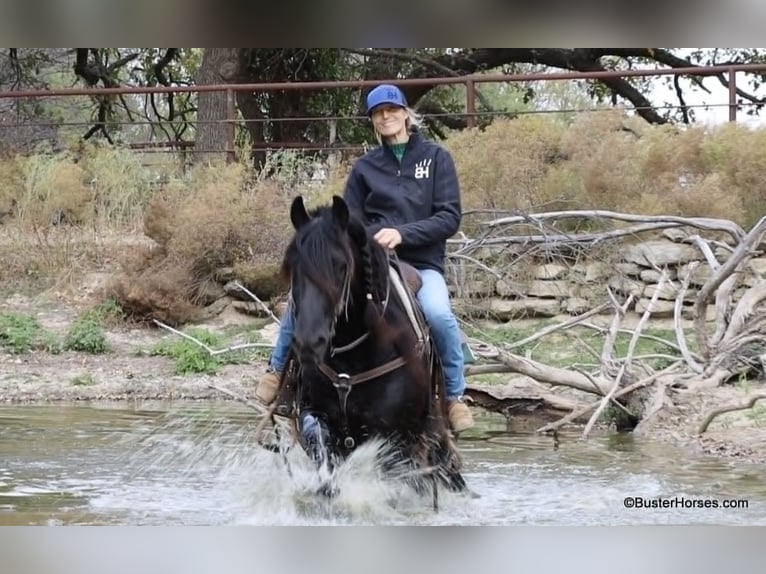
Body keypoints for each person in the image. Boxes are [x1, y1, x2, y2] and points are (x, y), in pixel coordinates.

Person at [255, 83, 474, 433]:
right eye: (377, 113)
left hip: (422, 264)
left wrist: (404, 233)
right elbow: (349, 221)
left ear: (405, 113)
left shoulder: (436, 159)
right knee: (305, 299)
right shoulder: (365, 167)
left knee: (438, 314)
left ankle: (454, 397)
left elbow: (449, 216)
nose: (386, 117)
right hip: (376, 260)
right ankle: (278, 372)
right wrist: (371, 239)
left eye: (391, 110)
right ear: (373, 121)